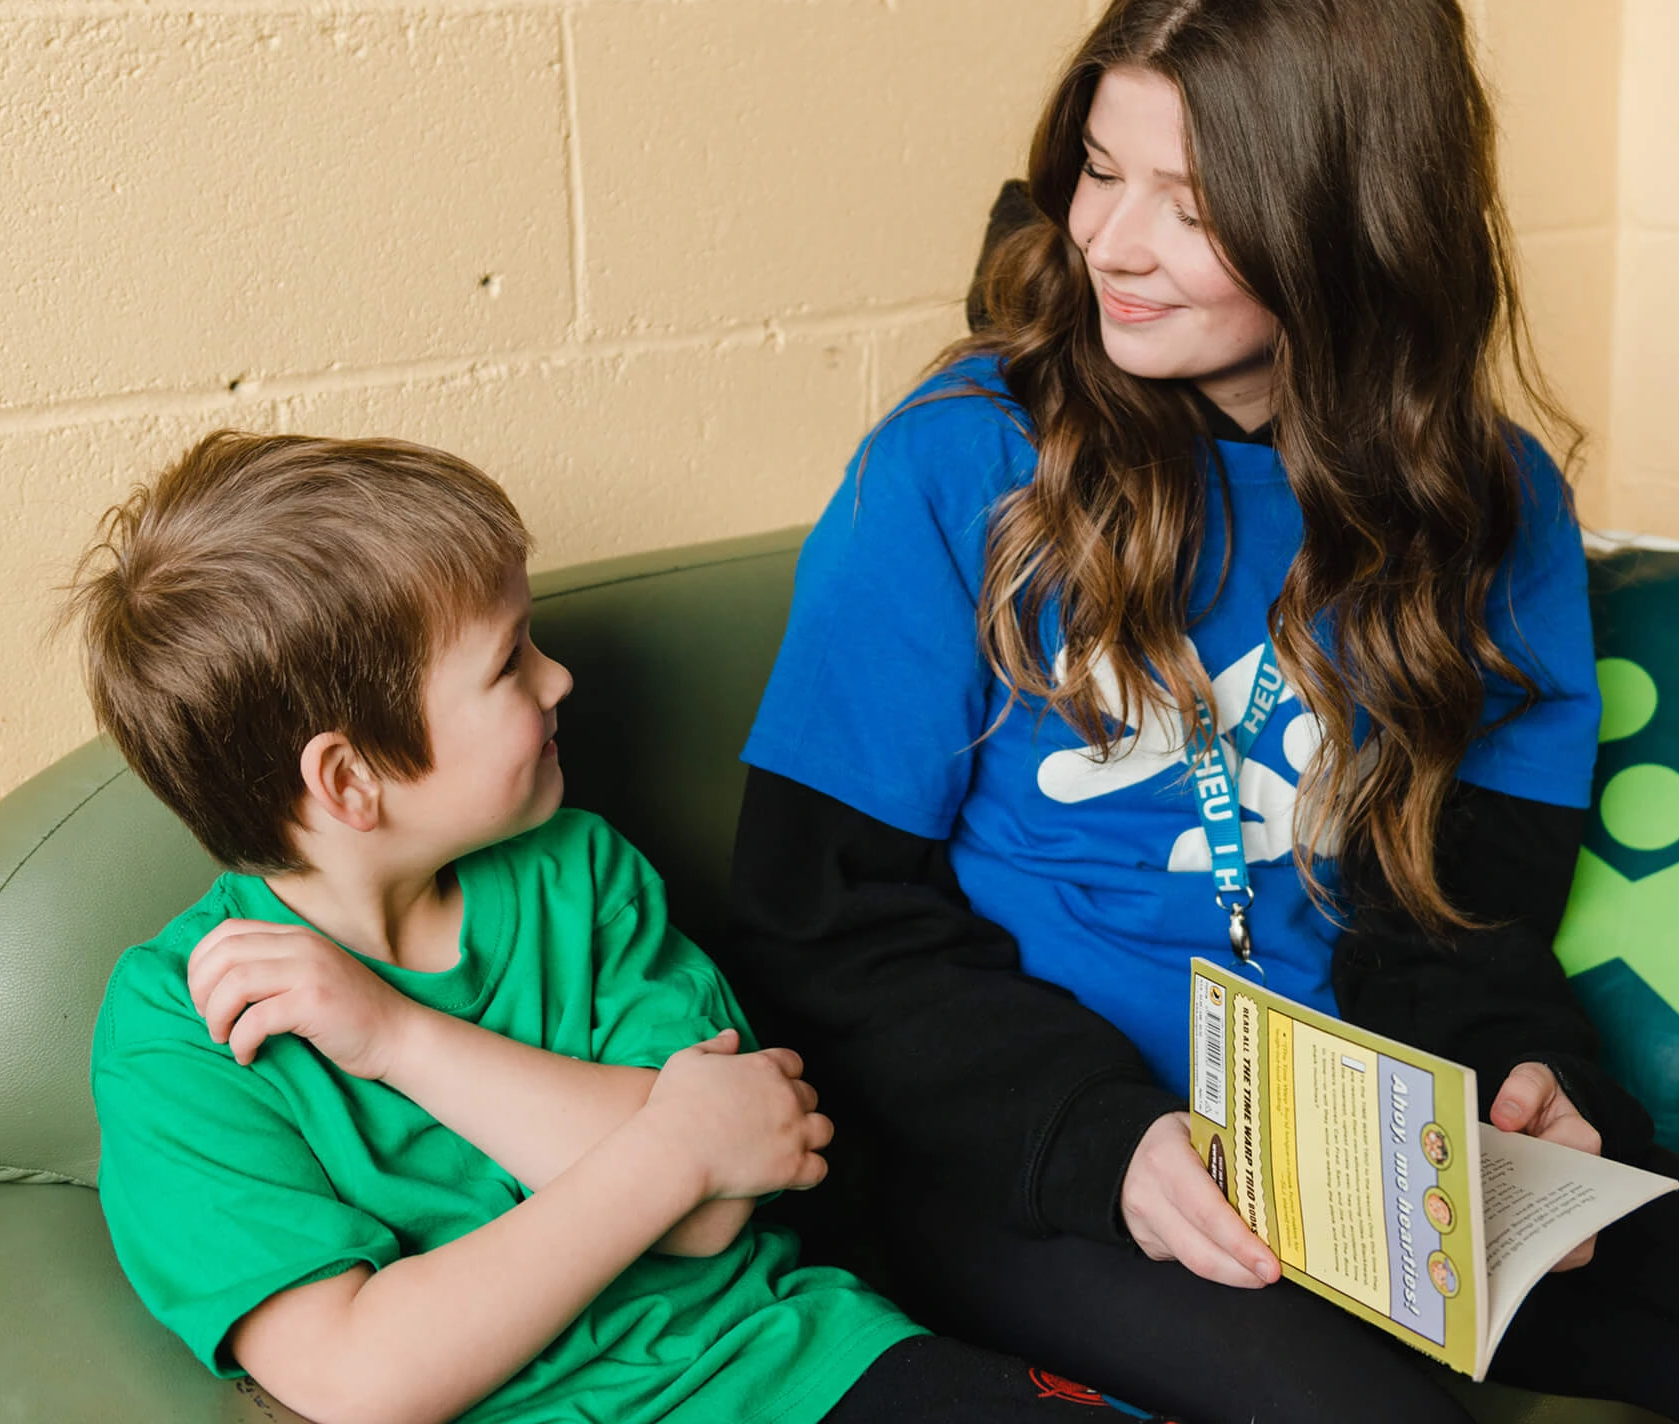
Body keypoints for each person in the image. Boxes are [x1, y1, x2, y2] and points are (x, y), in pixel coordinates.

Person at [725, 0, 1679, 1424]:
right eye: (1100, 171)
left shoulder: (1486, 495)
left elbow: (1465, 900)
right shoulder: (952, 464)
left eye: (1192, 204)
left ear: (1350, 224)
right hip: (1034, 1151)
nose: (1109, 241)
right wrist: (1105, 1137)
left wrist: (1524, 1075)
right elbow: (822, 921)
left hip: (1365, 1149)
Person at [70, 431, 1181, 1424]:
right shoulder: (179, 1025)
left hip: (796, 1364)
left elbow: (719, 1210)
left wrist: (401, 1039)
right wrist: (673, 1145)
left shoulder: (578, 872)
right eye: (507, 662)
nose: (558, 677)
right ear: (351, 780)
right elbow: (363, 1379)